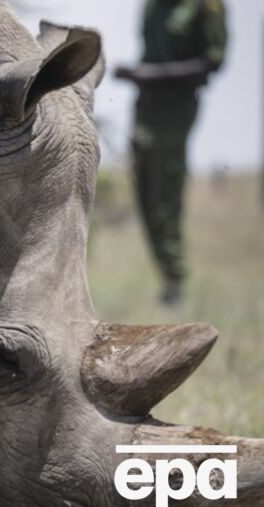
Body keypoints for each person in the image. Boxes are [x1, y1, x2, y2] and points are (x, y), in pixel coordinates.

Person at [115, 0, 228, 305]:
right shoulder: (153, 5)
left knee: (165, 200)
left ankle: (175, 281)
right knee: (146, 199)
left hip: (174, 116)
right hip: (144, 111)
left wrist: (148, 76)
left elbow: (212, 62)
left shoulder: (206, 6)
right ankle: (168, 279)